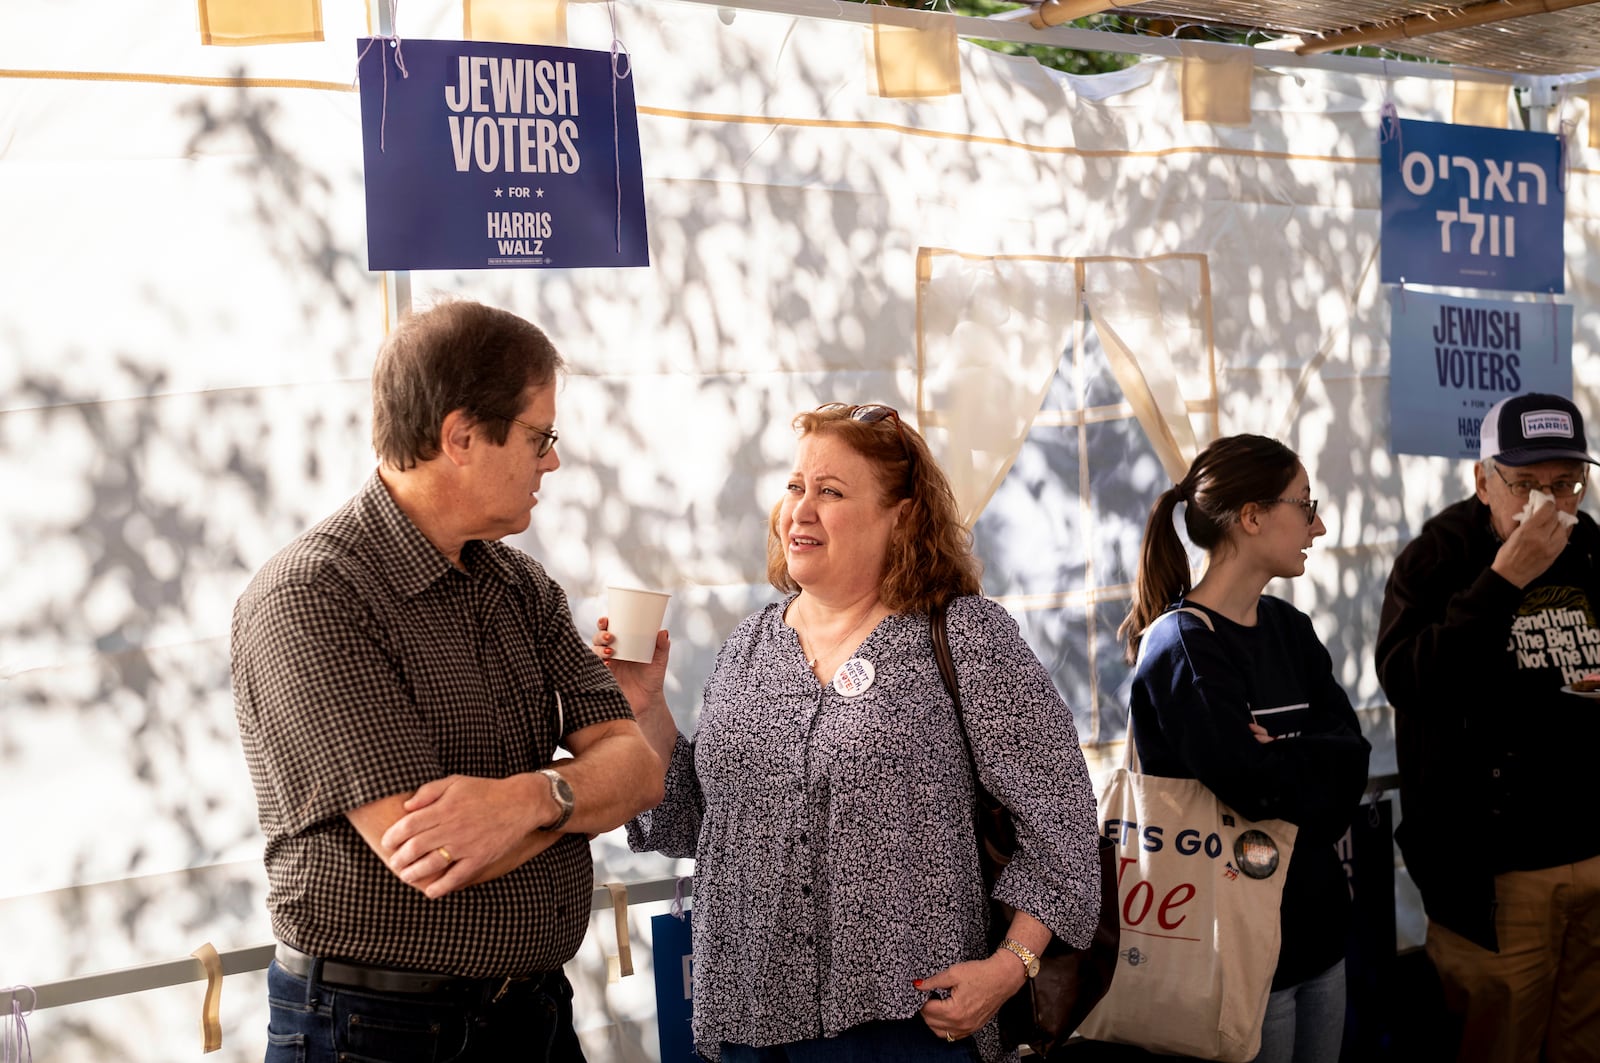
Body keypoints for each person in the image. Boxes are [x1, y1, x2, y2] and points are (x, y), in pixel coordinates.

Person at [593, 402, 1102, 1062]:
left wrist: (1009, 968)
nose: (800, 510)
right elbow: (701, 822)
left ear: (903, 514)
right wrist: (644, 707)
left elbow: (1061, 822)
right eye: (795, 487)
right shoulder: (750, 645)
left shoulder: (963, 636)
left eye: (830, 491)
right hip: (746, 1024)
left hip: (907, 1027)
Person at [230, 299, 662, 1063]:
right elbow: (431, 853)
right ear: (460, 436)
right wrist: (580, 791)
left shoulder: (521, 585)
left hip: (531, 1011)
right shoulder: (312, 595)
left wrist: (525, 798)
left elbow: (637, 771)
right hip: (378, 1030)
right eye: (540, 437)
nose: (552, 461)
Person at [1117, 434, 1371, 1063]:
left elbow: (1352, 759)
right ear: (1253, 517)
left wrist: (1281, 756)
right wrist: (1303, 756)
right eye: (1305, 505)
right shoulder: (1181, 647)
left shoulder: (1290, 628)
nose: (1319, 523)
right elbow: (1251, 786)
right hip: (1233, 949)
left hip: (1317, 930)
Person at [1376, 392, 1600, 1063]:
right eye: (1527, 483)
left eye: (1566, 483)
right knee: (1497, 1040)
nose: (1549, 503)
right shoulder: (1440, 556)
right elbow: (1408, 678)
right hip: (1496, 878)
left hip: (1592, 851)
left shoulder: (1590, 548)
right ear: (1482, 479)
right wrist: (1504, 579)